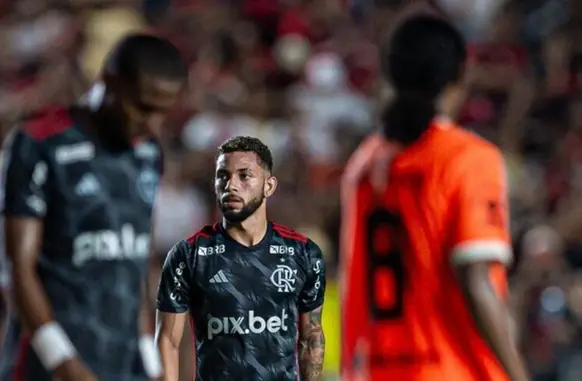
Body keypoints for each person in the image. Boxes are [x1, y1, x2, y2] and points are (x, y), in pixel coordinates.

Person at [340, 15, 529, 381]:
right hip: (450, 370)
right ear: (459, 75)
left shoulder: (363, 165)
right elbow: (476, 282)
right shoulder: (467, 157)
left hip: (374, 371)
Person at [0, 33, 188, 381]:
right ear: (109, 82)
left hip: (124, 365)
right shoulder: (39, 143)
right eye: (144, 107)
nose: (153, 123)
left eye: (163, 112)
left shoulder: (147, 154)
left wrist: (150, 359)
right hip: (47, 366)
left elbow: (133, 264)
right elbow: (19, 269)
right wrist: (64, 365)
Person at [155, 136, 326, 381]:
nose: (231, 185)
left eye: (244, 175)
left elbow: (311, 337)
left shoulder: (302, 253)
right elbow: (168, 340)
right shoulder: (188, 255)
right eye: (223, 175)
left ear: (269, 185)